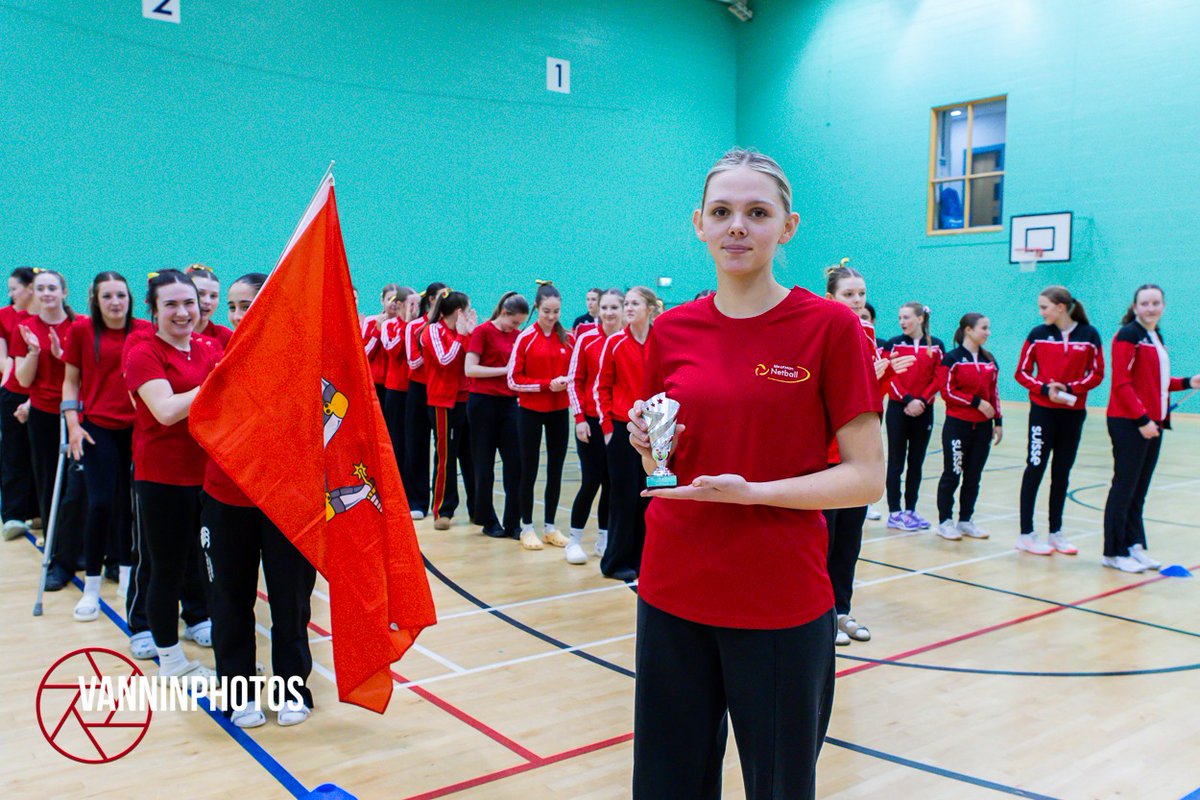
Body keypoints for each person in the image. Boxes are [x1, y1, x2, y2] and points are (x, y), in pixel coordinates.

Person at [627, 149, 883, 800]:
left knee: (778, 786)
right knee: (666, 786)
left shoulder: (830, 328)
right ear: (699, 224)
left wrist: (755, 494)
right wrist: (649, 453)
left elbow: (866, 477)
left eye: (756, 212)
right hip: (672, 590)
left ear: (787, 226)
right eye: (722, 212)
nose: (737, 225)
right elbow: (667, 464)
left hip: (778, 601)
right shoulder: (673, 330)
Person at [200, 272, 317, 727]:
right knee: (230, 599)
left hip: (286, 498)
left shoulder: (301, 359)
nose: (234, 315)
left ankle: (292, 689)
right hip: (227, 497)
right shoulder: (216, 353)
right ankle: (238, 692)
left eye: (245, 305)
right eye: (231, 306)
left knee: (291, 600)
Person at [124, 270, 221, 679]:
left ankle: (200, 621)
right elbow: (164, 411)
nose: (182, 312)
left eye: (189, 303)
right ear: (153, 310)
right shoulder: (143, 352)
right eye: (171, 305)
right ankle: (170, 659)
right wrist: (218, 383)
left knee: (202, 562)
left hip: (209, 475)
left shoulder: (209, 347)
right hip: (162, 477)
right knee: (166, 567)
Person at [821, 260, 912, 646]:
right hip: (828, 450)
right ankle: (819, 617)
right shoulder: (824, 331)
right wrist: (871, 376)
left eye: (861, 294)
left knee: (850, 539)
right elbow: (826, 392)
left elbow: (870, 395)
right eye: (849, 294)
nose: (857, 301)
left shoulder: (868, 330)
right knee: (824, 538)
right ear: (831, 298)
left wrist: (886, 373)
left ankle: (841, 610)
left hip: (862, 447)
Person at [61, 271, 148, 620]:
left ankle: (127, 578)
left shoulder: (143, 331)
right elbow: (70, 383)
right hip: (97, 428)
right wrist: (73, 427)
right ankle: (93, 588)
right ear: (95, 300)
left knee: (131, 507)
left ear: (130, 299)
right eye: (107, 296)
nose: (115, 303)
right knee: (98, 505)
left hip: (138, 429)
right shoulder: (81, 331)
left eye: (121, 296)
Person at [1102, 284, 1200, 573]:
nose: (1150, 308)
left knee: (1138, 490)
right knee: (1124, 487)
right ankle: (1113, 551)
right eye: (1144, 303)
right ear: (1135, 307)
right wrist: (1142, 420)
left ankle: (1134, 545)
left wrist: (1188, 382)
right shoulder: (1128, 335)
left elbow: (1157, 382)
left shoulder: (1154, 336)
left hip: (1152, 423)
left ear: (1163, 306)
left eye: (1156, 302)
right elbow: (1121, 383)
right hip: (1129, 422)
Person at [1014, 286, 1105, 556]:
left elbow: (1097, 374)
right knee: (1035, 468)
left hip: (1073, 413)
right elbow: (1021, 372)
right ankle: (1026, 534)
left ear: (1061, 307)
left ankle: (1056, 533)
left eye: (1044, 307)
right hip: (1042, 413)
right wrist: (1045, 389)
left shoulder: (1089, 335)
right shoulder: (1038, 334)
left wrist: (1068, 387)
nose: (1041, 312)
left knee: (1061, 473)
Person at [12, 269, 88, 591]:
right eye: (40, 288)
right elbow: (24, 380)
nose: (46, 293)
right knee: (48, 483)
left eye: (52, 288)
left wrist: (62, 354)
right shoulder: (25, 329)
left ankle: (80, 549)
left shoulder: (81, 325)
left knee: (78, 485)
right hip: (44, 415)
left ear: (64, 291)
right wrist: (34, 352)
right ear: (34, 293)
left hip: (79, 414)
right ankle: (57, 553)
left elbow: (90, 375)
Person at [596, 287, 658, 580]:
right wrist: (608, 429)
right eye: (627, 303)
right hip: (622, 429)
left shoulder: (661, 342)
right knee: (623, 497)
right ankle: (615, 562)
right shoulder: (615, 343)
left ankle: (643, 559)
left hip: (654, 431)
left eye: (635, 303)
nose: (629, 308)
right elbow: (602, 387)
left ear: (649, 308)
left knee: (648, 495)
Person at [507, 281, 573, 551]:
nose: (551, 316)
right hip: (531, 413)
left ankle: (550, 527)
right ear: (537, 308)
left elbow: (576, 374)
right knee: (529, 470)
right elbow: (513, 379)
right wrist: (546, 385)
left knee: (555, 470)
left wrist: (566, 382)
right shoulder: (525, 338)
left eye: (556, 311)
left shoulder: (568, 339)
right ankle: (526, 527)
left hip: (559, 412)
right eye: (546, 311)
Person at [935, 313, 1003, 541]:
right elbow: (947, 391)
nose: (988, 332)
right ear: (968, 330)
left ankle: (965, 520)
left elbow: (994, 393)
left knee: (973, 476)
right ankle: (945, 521)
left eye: (988, 327)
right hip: (958, 426)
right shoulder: (952, 359)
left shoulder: (989, 360)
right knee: (952, 474)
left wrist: (998, 421)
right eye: (984, 328)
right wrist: (976, 403)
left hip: (982, 428)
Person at [466, 291, 528, 539]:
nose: (517, 327)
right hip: (483, 403)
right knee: (484, 465)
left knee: (516, 464)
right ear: (504, 313)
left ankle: (513, 522)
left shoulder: (518, 336)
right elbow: (470, 368)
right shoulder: (482, 332)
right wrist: (505, 370)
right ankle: (487, 519)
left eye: (520, 324)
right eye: (514, 322)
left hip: (509, 404)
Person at [566, 288, 622, 562]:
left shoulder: (626, 340)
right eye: (605, 308)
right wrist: (579, 419)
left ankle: (604, 539)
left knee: (612, 483)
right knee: (591, 481)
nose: (609, 313)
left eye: (615, 308)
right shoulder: (586, 338)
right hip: (590, 422)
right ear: (597, 310)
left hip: (618, 425)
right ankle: (573, 540)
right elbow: (575, 380)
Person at [883, 303, 945, 531]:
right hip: (899, 408)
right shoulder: (894, 343)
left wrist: (923, 400)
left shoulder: (937, 345)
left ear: (920, 319)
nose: (902, 321)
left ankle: (910, 510)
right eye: (900, 317)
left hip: (924, 410)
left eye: (906, 317)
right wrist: (909, 400)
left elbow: (939, 377)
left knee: (916, 462)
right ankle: (894, 512)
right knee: (896, 462)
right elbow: (890, 376)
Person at [421, 289, 476, 530]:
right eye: (468, 309)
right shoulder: (433, 330)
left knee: (471, 456)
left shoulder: (463, 333)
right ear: (459, 311)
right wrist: (462, 337)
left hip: (467, 399)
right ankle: (442, 509)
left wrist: (471, 334)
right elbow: (444, 360)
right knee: (446, 456)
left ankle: (478, 508)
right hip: (443, 402)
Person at [1, 267, 40, 540]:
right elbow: (7, 361)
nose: (11, 293)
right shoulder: (7, 318)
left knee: (40, 454)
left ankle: (38, 512)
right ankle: (13, 514)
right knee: (14, 453)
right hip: (15, 389)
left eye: (15, 288)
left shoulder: (49, 317)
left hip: (44, 395)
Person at [404, 283, 446, 520]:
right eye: (442, 297)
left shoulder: (446, 327)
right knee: (416, 446)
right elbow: (413, 362)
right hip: (419, 390)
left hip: (441, 390)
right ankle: (417, 501)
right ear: (431, 299)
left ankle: (441, 502)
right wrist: (434, 349)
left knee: (443, 448)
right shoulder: (415, 327)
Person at [380, 287, 417, 472]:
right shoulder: (389, 325)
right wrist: (407, 326)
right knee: (396, 440)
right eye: (412, 304)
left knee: (413, 441)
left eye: (418, 304)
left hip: (415, 391)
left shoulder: (420, 325)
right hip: (396, 390)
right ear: (401, 304)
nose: (415, 308)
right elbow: (394, 351)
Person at [364, 284, 401, 409]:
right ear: (382, 300)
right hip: (376, 382)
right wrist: (378, 331)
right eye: (389, 299)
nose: (394, 304)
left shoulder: (404, 325)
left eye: (397, 300)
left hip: (397, 384)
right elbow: (365, 354)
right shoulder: (371, 321)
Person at [186, 265, 234, 348]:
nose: (207, 301)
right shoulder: (166, 334)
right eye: (200, 294)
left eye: (213, 296)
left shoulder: (225, 337)